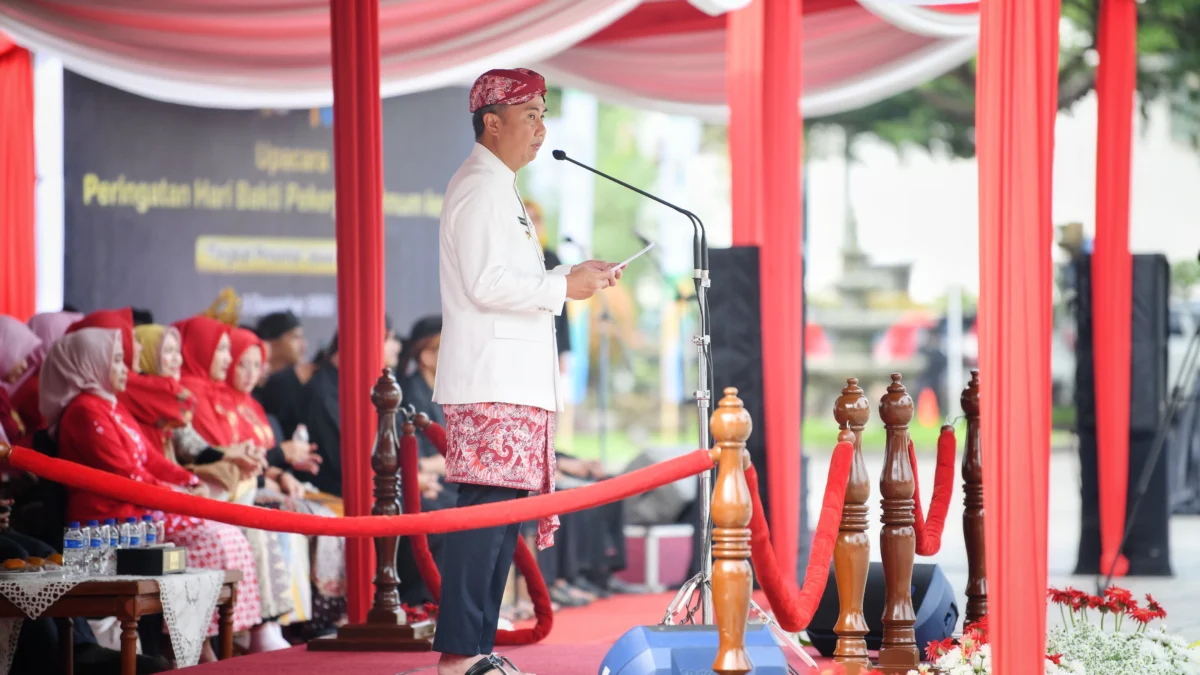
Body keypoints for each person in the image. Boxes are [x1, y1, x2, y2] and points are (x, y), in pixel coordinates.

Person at [431, 67, 621, 675]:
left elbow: (511, 282)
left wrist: (568, 280)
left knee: (498, 525)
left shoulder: (501, 187)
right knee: (481, 522)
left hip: (510, 382)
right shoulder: (480, 187)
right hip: (491, 382)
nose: (542, 128)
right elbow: (487, 284)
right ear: (492, 122)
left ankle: (476, 650)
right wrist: (565, 284)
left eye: (544, 113)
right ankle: (458, 656)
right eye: (531, 114)